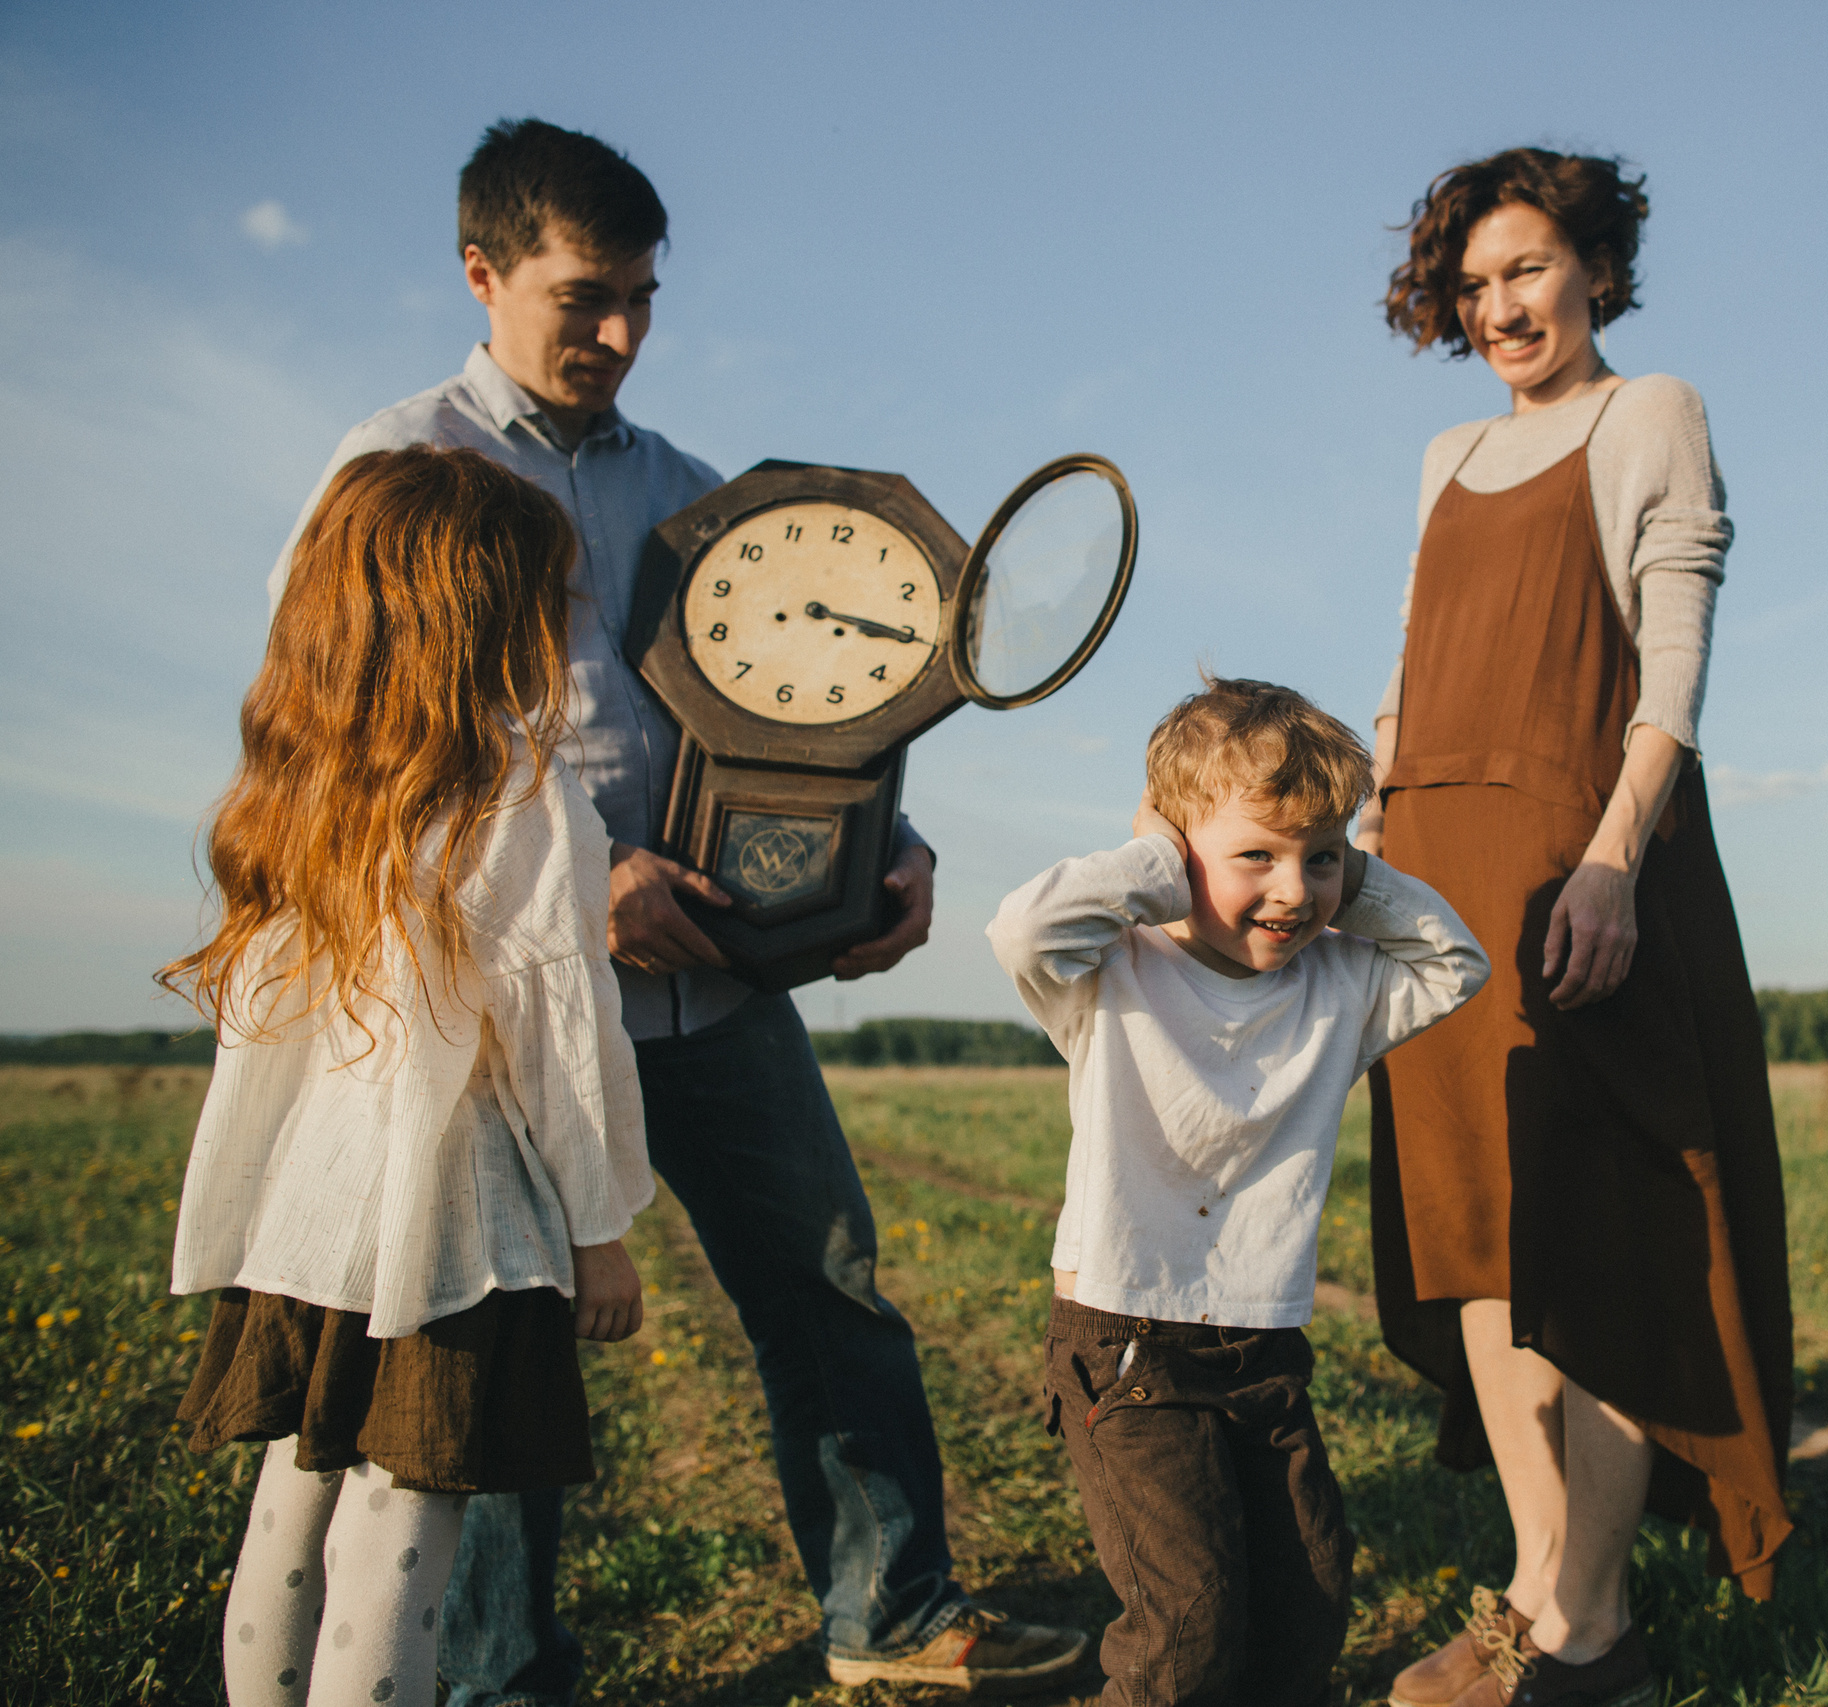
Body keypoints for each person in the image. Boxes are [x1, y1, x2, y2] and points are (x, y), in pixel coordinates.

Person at [265, 119, 1084, 1697]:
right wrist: (586, 880)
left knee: (828, 1279)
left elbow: (802, 706)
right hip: (503, 1003)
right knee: (501, 1342)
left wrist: (885, 849)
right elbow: (363, 757)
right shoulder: (394, 469)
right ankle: (508, 1676)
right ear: (481, 272)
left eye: (645, 295)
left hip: (715, 990)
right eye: (587, 298)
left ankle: (893, 1615)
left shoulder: (701, 491)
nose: (624, 334)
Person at [1359, 149, 1796, 1707]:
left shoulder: (1650, 411)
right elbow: (1422, 662)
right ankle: (1539, 1589)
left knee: (1602, 1232)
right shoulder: (1445, 452)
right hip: (1435, 875)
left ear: (1595, 267)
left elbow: (1669, 661)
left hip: (1578, 870)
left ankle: (1591, 1623)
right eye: (1472, 285)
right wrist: (1370, 806)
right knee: (1482, 1231)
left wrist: (1612, 857)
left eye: (1527, 269)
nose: (1500, 306)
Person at [164, 446, 650, 1707]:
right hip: (448, 1234)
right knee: (399, 1545)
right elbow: (566, 1041)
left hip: (306, 1220)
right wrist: (599, 1230)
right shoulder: (520, 791)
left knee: (287, 1513)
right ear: (491, 613)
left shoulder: (308, 778)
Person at [987, 678, 1489, 1707]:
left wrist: (1359, 882)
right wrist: (1154, 867)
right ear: (1177, 854)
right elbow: (1023, 929)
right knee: (1190, 1625)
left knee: (1307, 1591)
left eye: (1318, 858)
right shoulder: (1109, 975)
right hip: (1126, 1339)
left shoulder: (1341, 984)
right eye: (1253, 856)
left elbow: (1456, 961)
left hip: (1261, 1347)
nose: (1292, 891)